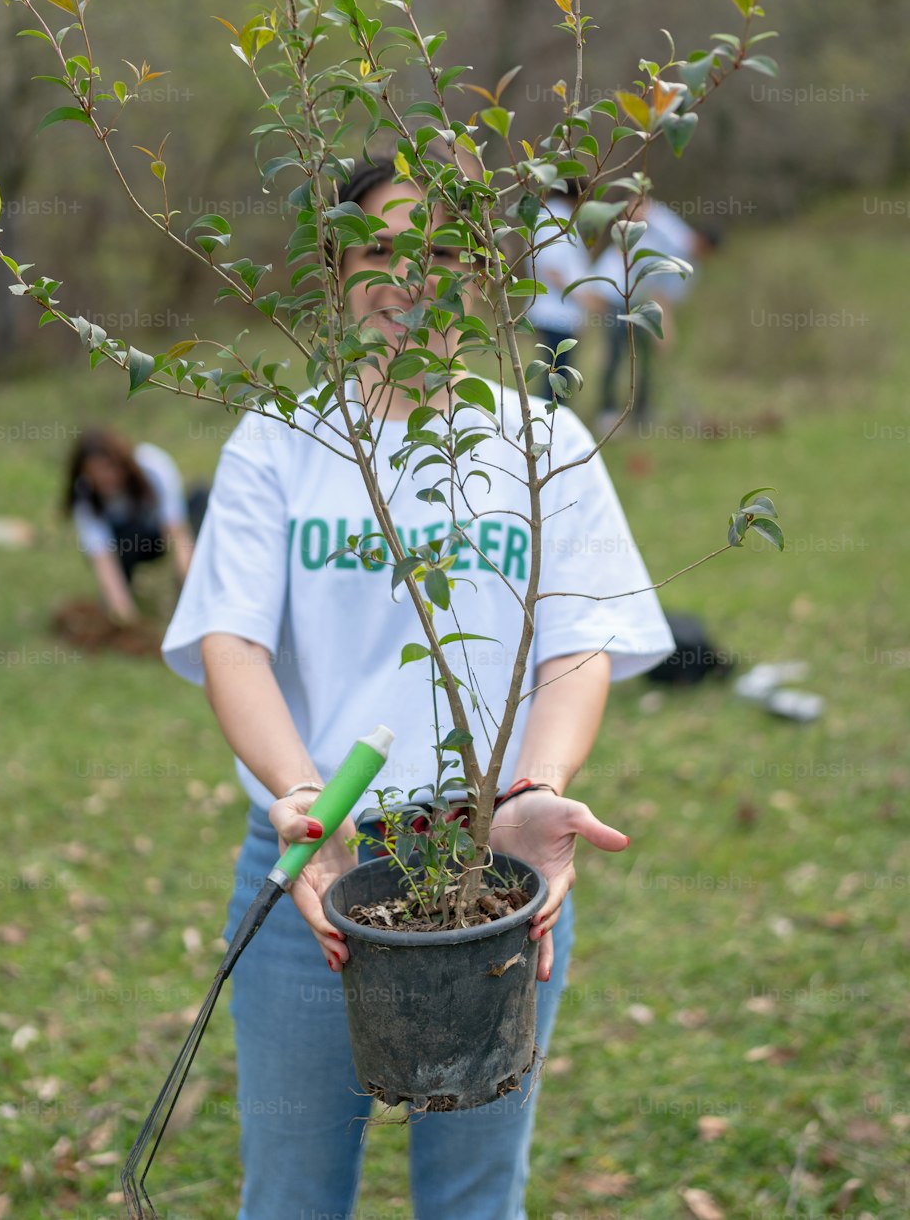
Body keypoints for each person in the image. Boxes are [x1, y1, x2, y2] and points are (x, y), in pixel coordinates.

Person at [160, 157, 675, 1220]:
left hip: (496, 869)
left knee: (476, 1198)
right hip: (316, 869)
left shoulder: (542, 445)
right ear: (336, 266)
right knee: (291, 1194)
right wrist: (308, 804)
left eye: (444, 253)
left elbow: (577, 644)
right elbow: (232, 641)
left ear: (485, 276)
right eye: (382, 252)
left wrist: (535, 788)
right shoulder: (279, 442)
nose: (411, 280)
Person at [580, 197, 715, 429]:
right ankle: (608, 411)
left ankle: (641, 412)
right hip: (617, 294)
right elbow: (639, 203)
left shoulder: (693, 268)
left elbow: (665, 297)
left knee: (645, 357)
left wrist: (663, 329)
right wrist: (630, 227)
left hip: (644, 304)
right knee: (615, 352)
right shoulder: (672, 232)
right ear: (701, 240)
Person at [63, 428, 202, 624]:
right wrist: (125, 618)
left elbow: (177, 534)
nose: (105, 478)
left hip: (159, 533)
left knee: (202, 504)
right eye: (95, 473)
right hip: (128, 543)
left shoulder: (153, 466)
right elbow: (101, 556)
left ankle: (199, 587)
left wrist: (193, 595)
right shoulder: (85, 495)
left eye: (109, 467)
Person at [526, 181, 593, 397]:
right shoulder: (554, 219)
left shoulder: (557, 216)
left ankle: (548, 424)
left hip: (560, 314)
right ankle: (548, 427)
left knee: (556, 380)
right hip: (555, 314)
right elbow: (551, 270)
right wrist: (583, 298)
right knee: (556, 384)